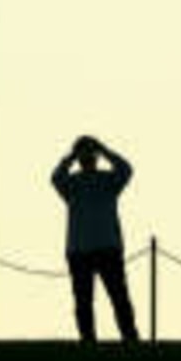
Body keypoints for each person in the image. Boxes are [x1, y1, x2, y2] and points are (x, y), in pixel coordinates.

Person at [51, 135, 139, 343]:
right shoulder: (74, 183)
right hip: (86, 249)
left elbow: (127, 170)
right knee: (86, 301)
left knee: (117, 298)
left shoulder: (104, 180)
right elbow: (55, 178)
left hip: (99, 247)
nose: (88, 156)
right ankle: (90, 339)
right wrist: (80, 154)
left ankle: (128, 337)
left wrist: (101, 150)